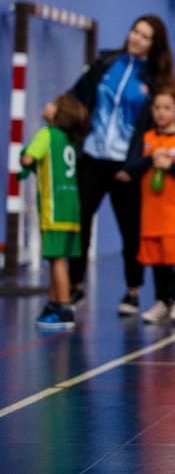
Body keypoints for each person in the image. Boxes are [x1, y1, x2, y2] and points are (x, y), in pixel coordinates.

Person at [68, 15, 175, 314]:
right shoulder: (106, 64)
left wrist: (134, 165)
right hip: (91, 156)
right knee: (81, 221)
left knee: (131, 230)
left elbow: (153, 128)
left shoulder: (155, 81)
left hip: (125, 166)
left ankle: (132, 290)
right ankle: (76, 286)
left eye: (145, 36)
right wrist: (58, 108)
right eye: (135, 32)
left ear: (154, 45)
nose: (136, 39)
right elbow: (78, 95)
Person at [123, 87, 175, 325]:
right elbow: (131, 167)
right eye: (157, 108)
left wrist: (172, 166)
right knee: (156, 258)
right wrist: (151, 159)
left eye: (167, 108)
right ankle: (160, 301)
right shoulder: (147, 139)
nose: (161, 113)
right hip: (152, 211)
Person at [19, 95, 90, 330]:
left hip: (54, 208)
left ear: (59, 114)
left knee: (57, 260)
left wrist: (24, 156)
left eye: (54, 104)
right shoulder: (68, 140)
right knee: (57, 259)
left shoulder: (46, 134)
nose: (47, 104)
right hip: (72, 209)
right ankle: (53, 303)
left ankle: (64, 307)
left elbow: (29, 158)